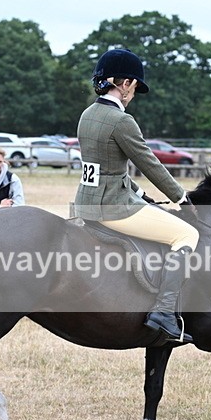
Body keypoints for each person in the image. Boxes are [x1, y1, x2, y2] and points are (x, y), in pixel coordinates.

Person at [74, 48, 199, 342]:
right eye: (134, 87)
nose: (134, 95)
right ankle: (165, 311)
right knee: (186, 235)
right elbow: (150, 163)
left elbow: (107, 169)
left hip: (88, 202)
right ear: (126, 83)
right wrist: (181, 197)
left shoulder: (87, 115)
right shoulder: (121, 121)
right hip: (113, 209)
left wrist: (140, 193)